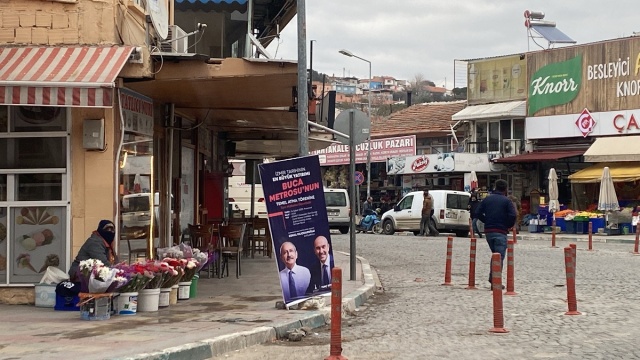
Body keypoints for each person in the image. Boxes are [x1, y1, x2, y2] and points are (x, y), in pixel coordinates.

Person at [476, 180, 516, 286]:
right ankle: (495, 281)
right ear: (506, 189)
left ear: (495, 187)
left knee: (495, 255)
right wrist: (507, 225)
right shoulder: (506, 201)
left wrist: (486, 220)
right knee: (499, 256)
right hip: (501, 231)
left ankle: (492, 277)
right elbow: (513, 215)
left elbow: (477, 212)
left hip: (489, 231)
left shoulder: (487, 200)